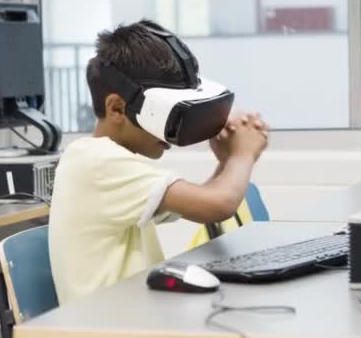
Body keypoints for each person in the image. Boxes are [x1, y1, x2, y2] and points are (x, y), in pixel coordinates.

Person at [49, 20, 269, 304]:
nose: (172, 134)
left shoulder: (105, 162)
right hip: (106, 325)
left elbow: (204, 202)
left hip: (134, 314)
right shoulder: (96, 162)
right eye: (165, 116)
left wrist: (227, 160)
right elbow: (217, 205)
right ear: (117, 108)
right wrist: (243, 154)